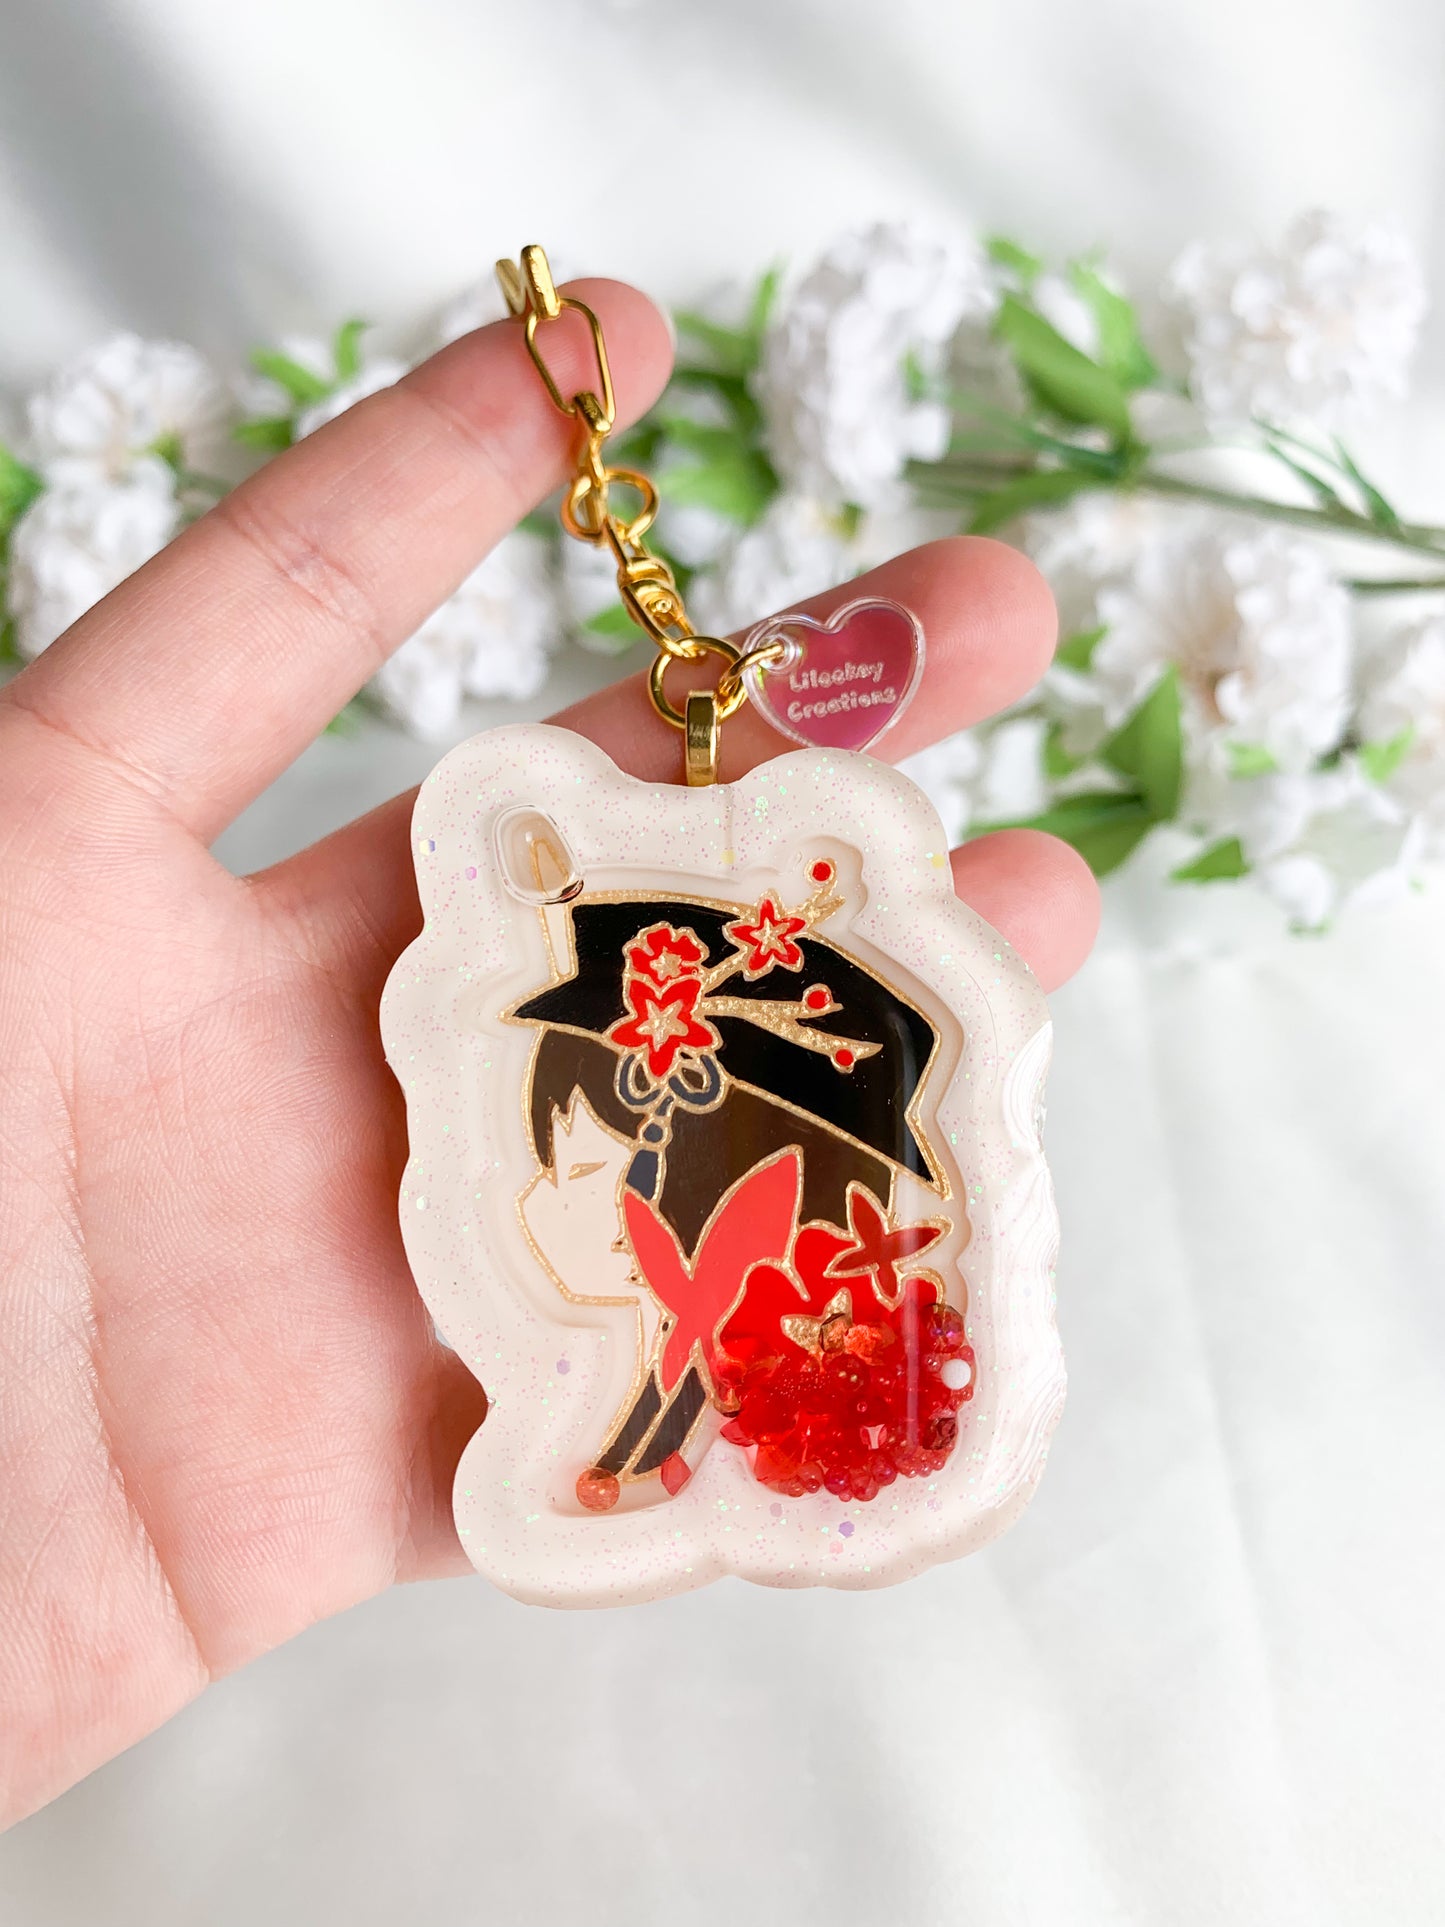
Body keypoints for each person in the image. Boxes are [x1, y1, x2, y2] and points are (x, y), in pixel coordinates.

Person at [0, 279, 1099, 1826]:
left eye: (575, 1155)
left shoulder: (807, 1371)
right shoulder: (627, 1399)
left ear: (714, 1177)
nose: (517, 1196)